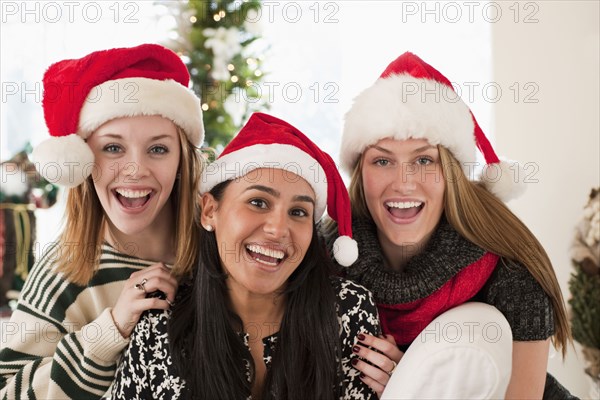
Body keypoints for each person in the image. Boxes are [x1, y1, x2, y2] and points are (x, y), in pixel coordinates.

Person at [323, 52, 574, 399]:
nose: (404, 183)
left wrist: (416, 384)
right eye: (382, 160)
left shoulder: (508, 268)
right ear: (359, 173)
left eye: (424, 160)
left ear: (451, 174)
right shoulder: (328, 256)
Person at [110, 112, 380, 400]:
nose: (278, 229)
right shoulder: (160, 325)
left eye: (298, 212)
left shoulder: (348, 311)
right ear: (210, 211)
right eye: (258, 202)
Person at [0, 43, 204, 399]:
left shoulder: (218, 253)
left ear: (182, 160)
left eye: (158, 149)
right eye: (113, 148)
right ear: (83, 160)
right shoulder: (65, 269)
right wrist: (109, 331)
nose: (135, 170)